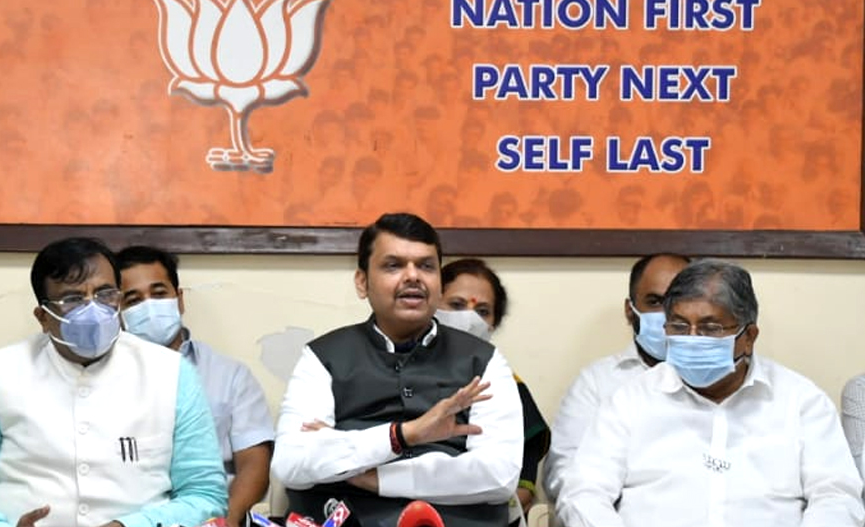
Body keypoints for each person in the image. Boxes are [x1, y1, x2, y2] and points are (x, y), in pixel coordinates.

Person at [0, 237, 227, 527]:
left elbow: (204, 494)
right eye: (73, 299)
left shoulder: (172, 374)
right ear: (43, 317)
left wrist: (130, 526)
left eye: (105, 294)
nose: (93, 310)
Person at [556, 259, 864, 527]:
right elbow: (584, 494)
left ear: (748, 337)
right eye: (679, 327)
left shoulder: (801, 402)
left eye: (710, 328)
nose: (692, 339)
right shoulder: (630, 401)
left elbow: (836, 497)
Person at [271, 213, 523, 527]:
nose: (413, 276)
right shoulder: (322, 357)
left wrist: (372, 474)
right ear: (362, 282)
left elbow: (498, 476)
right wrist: (402, 435)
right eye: (393, 265)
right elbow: (292, 463)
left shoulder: (484, 360)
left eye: (426, 266)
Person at [116, 245, 273, 527]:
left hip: (212, 516)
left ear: (179, 300)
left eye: (159, 293)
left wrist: (227, 520)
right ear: (118, 312)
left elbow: (254, 464)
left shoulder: (230, 375)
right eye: (133, 300)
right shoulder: (103, 379)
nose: (149, 306)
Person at [542, 253, 689, 503]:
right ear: (630, 311)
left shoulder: (724, 381)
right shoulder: (597, 383)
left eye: (681, 300)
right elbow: (563, 474)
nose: (668, 314)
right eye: (655, 302)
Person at [436, 258, 549, 527]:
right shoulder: (396, 372)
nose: (469, 318)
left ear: (494, 323)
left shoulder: (508, 385)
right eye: (456, 305)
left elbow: (523, 489)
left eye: (482, 311)